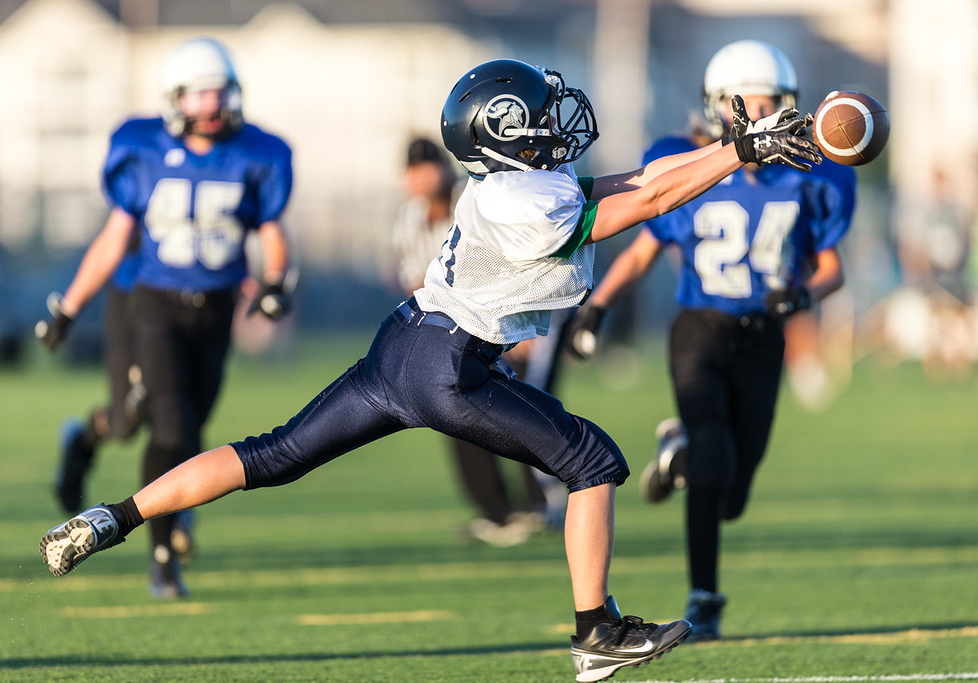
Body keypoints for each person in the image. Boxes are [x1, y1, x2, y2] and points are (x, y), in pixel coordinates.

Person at [40, 58, 819, 682]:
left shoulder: (508, 185)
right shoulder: (525, 199)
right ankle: (597, 633)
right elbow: (645, 203)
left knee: (268, 454)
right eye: (540, 115)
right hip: (451, 366)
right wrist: (743, 149)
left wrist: (739, 147)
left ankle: (112, 517)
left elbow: (639, 184)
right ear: (507, 131)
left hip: (403, 343)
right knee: (594, 461)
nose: (556, 122)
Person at [565, 40, 855, 642]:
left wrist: (801, 297)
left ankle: (682, 455)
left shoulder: (812, 178)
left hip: (763, 337)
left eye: (770, 103)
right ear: (716, 107)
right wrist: (597, 308)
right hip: (698, 330)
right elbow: (646, 247)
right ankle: (705, 595)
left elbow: (832, 268)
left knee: (733, 491)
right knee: (717, 452)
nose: (760, 115)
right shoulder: (685, 163)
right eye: (743, 102)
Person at [35, 36, 294, 599]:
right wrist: (69, 307)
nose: (213, 105)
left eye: (220, 92)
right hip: (153, 301)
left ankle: (120, 467)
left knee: (189, 426)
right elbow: (115, 237)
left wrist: (275, 281)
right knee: (160, 424)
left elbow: (271, 231)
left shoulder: (257, 153)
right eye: (201, 94)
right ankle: (161, 553)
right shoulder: (142, 148)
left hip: (217, 304)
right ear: (175, 99)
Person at [391, 136, 566, 546]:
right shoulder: (410, 219)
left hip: (513, 318)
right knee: (455, 411)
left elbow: (519, 262)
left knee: (527, 409)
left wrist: (523, 322)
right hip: (460, 329)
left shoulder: (472, 199)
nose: (422, 176)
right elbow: (417, 281)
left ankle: (546, 502)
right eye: (414, 169)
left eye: (427, 165)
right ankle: (498, 511)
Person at [49, 251, 146, 516]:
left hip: (199, 301)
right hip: (136, 294)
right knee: (125, 423)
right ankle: (79, 443)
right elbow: (114, 237)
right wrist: (68, 310)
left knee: (182, 412)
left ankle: (177, 518)